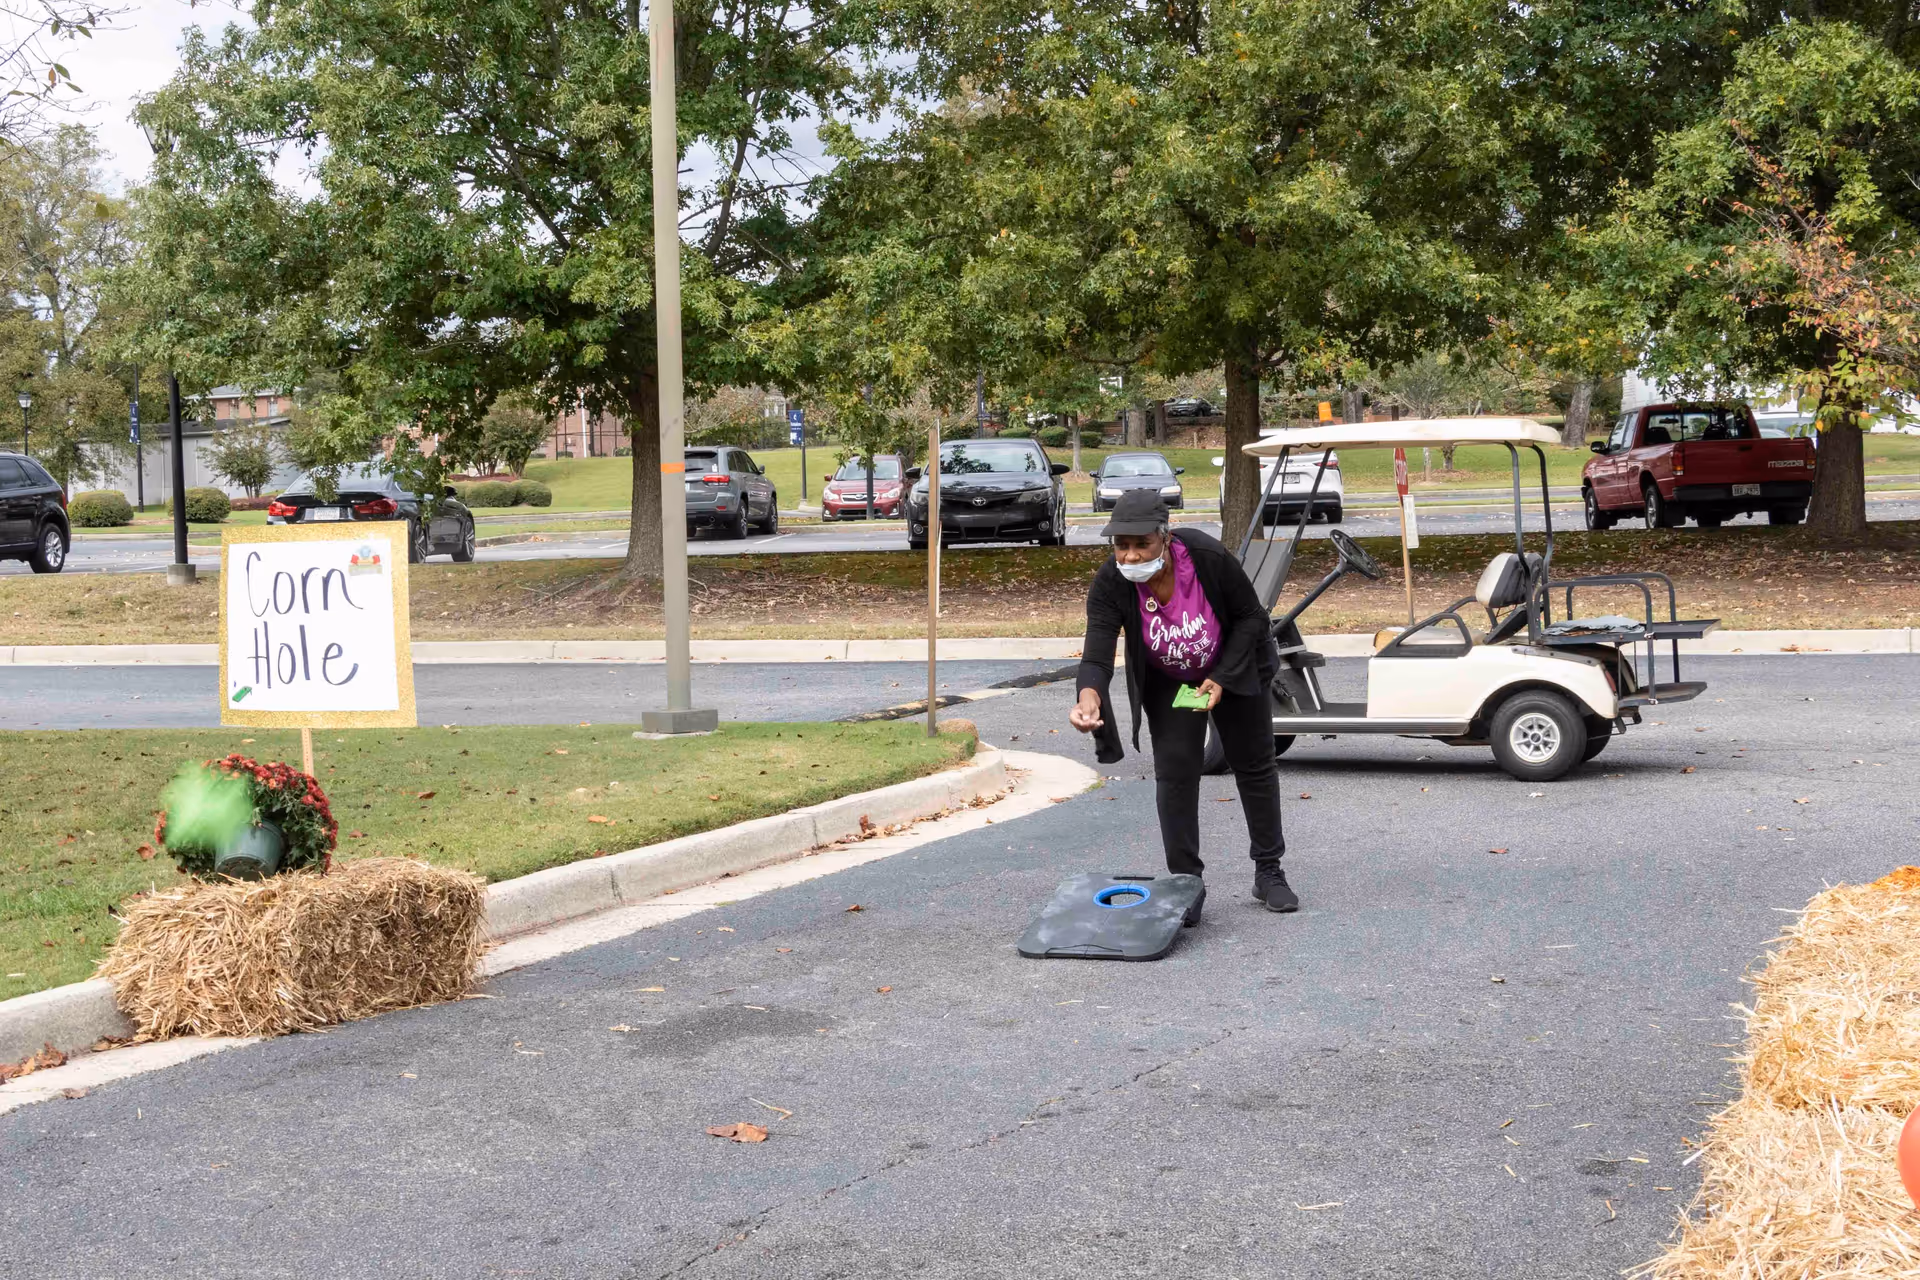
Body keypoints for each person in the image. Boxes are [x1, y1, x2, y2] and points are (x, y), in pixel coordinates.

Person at [1068, 488, 1296, 913]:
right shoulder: (1111, 582)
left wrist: (1222, 677)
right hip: (1176, 684)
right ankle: (1186, 883)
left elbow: (1251, 617)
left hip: (1233, 669)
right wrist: (1088, 697)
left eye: (1142, 544)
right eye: (1122, 545)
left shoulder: (1206, 557)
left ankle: (1269, 871)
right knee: (1175, 773)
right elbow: (1096, 651)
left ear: (1165, 537)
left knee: (1253, 764)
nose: (1131, 556)